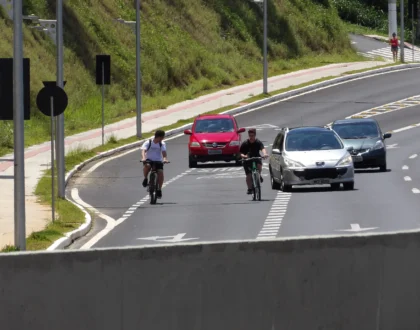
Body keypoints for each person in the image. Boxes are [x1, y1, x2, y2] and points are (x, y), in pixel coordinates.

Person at [240, 128, 269, 194]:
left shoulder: (258, 142)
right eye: (250, 136)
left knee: (259, 165)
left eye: (252, 136)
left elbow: (262, 148)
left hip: (256, 158)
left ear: (255, 135)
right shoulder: (245, 143)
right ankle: (249, 188)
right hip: (247, 160)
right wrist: (244, 156)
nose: (251, 137)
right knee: (249, 175)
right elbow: (241, 153)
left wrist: (265, 154)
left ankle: (259, 175)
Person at [141, 130, 168, 198]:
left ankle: (159, 189)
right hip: (149, 159)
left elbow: (164, 152)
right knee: (147, 166)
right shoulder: (148, 142)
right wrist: (144, 158)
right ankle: (145, 178)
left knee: (160, 173)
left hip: (158, 160)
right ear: (159, 137)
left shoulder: (162, 143)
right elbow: (143, 150)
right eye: (162, 137)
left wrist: (165, 158)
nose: (162, 139)